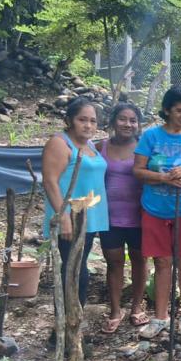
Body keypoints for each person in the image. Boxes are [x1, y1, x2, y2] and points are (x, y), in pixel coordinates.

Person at [133, 87, 181, 338]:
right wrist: (163, 178)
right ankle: (160, 317)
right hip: (155, 208)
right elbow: (138, 171)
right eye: (179, 111)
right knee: (162, 262)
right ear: (167, 110)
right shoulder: (151, 136)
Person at [42, 96, 109, 310]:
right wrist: (63, 217)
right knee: (73, 270)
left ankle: (73, 325)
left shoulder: (88, 145)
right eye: (83, 119)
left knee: (79, 267)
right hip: (69, 218)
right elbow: (50, 181)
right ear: (70, 120)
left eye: (93, 121)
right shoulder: (60, 143)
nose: (88, 125)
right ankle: (65, 328)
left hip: (87, 217)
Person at [96, 102, 148, 333]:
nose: (128, 124)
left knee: (139, 260)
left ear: (138, 124)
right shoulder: (100, 147)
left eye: (133, 120)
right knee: (114, 262)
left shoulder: (144, 148)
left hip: (139, 216)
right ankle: (115, 310)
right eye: (123, 119)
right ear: (113, 121)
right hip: (109, 217)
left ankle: (137, 307)